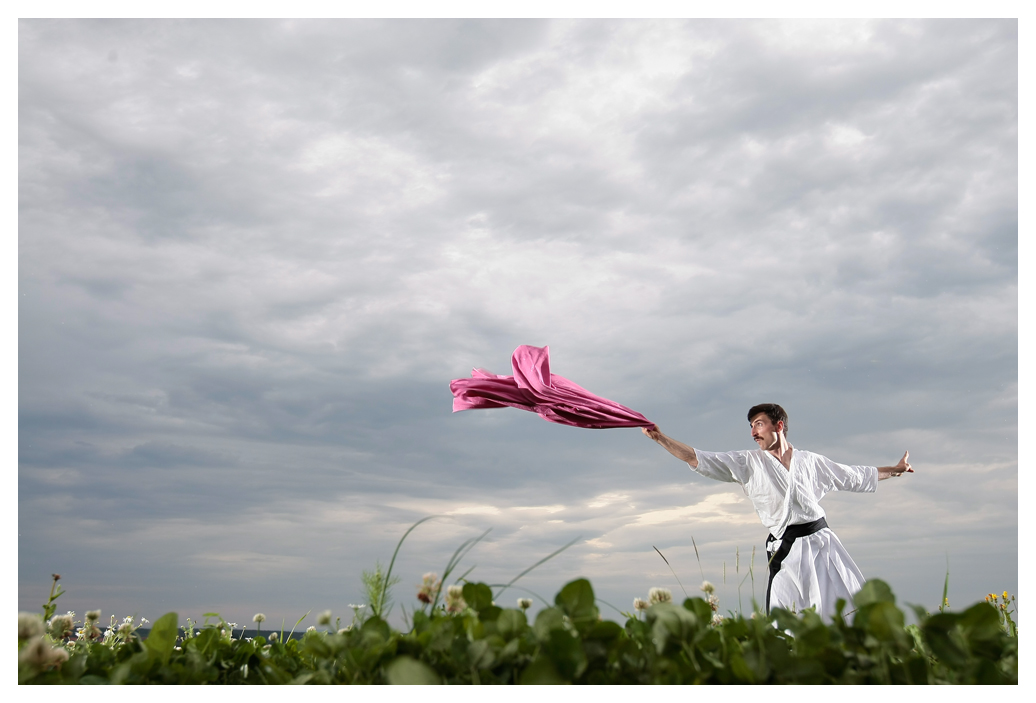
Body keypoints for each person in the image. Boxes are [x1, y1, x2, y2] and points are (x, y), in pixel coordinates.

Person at [642, 403, 912, 618]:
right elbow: (696, 457)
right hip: (785, 550)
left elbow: (854, 476)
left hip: (822, 546)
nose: (753, 432)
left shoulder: (811, 462)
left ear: (779, 425)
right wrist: (660, 438)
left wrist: (896, 470)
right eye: (751, 426)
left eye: (758, 424)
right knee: (784, 615)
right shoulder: (748, 463)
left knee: (841, 609)